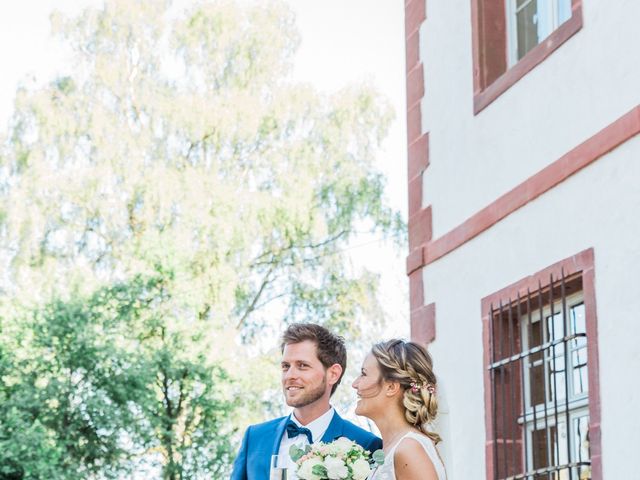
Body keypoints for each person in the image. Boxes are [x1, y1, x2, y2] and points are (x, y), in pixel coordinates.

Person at [231, 323, 382, 479]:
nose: (289, 375)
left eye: (302, 366)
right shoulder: (255, 437)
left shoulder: (366, 445)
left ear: (333, 374)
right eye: (285, 366)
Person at [352, 339, 446, 480]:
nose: (355, 384)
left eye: (364, 374)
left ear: (391, 387)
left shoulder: (409, 449)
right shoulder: (391, 448)